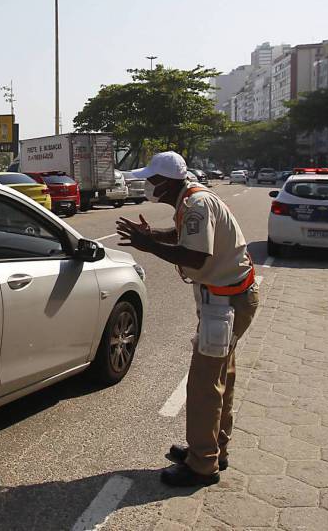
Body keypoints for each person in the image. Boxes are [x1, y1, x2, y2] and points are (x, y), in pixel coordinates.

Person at [116, 151, 258, 488]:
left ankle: (202, 465)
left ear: (165, 182)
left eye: (151, 180)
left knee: (204, 385)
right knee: (222, 377)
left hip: (225, 304)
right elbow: (187, 237)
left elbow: (195, 255)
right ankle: (212, 449)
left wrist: (148, 247)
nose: (147, 185)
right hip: (229, 299)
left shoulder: (196, 205)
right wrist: (154, 236)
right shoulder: (192, 200)